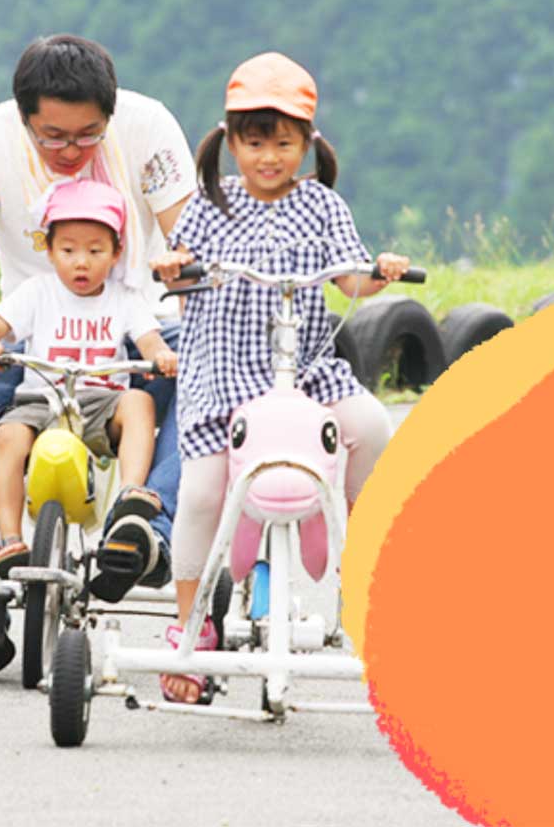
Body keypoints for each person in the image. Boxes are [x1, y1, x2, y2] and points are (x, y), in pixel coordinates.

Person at [0, 34, 196, 671]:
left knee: (214, 372)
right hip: (31, 350)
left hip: (137, 337)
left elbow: (192, 252)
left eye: (88, 136)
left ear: (111, 116)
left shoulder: (149, 128)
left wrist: (198, 309)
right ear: (23, 117)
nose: (70, 152)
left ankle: (144, 532)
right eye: (51, 137)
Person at [151, 52, 410, 703]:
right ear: (231, 141)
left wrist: (380, 270)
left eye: (284, 142)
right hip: (224, 376)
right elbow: (179, 265)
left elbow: (350, 278)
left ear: (308, 145)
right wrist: (172, 265)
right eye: (255, 141)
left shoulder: (322, 206)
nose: (269, 156)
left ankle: (364, 569)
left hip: (304, 374)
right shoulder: (211, 205)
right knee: (204, 491)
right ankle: (190, 627)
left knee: (371, 425)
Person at [0, 180, 178, 584]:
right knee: (7, 436)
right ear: (49, 250)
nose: (81, 262)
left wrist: (160, 356)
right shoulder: (36, 292)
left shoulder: (124, 297)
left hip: (101, 402)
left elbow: (149, 340)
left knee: (140, 402)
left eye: (95, 251)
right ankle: (10, 538)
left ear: (117, 253)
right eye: (68, 250)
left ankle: (130, 500)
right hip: (41, 400)